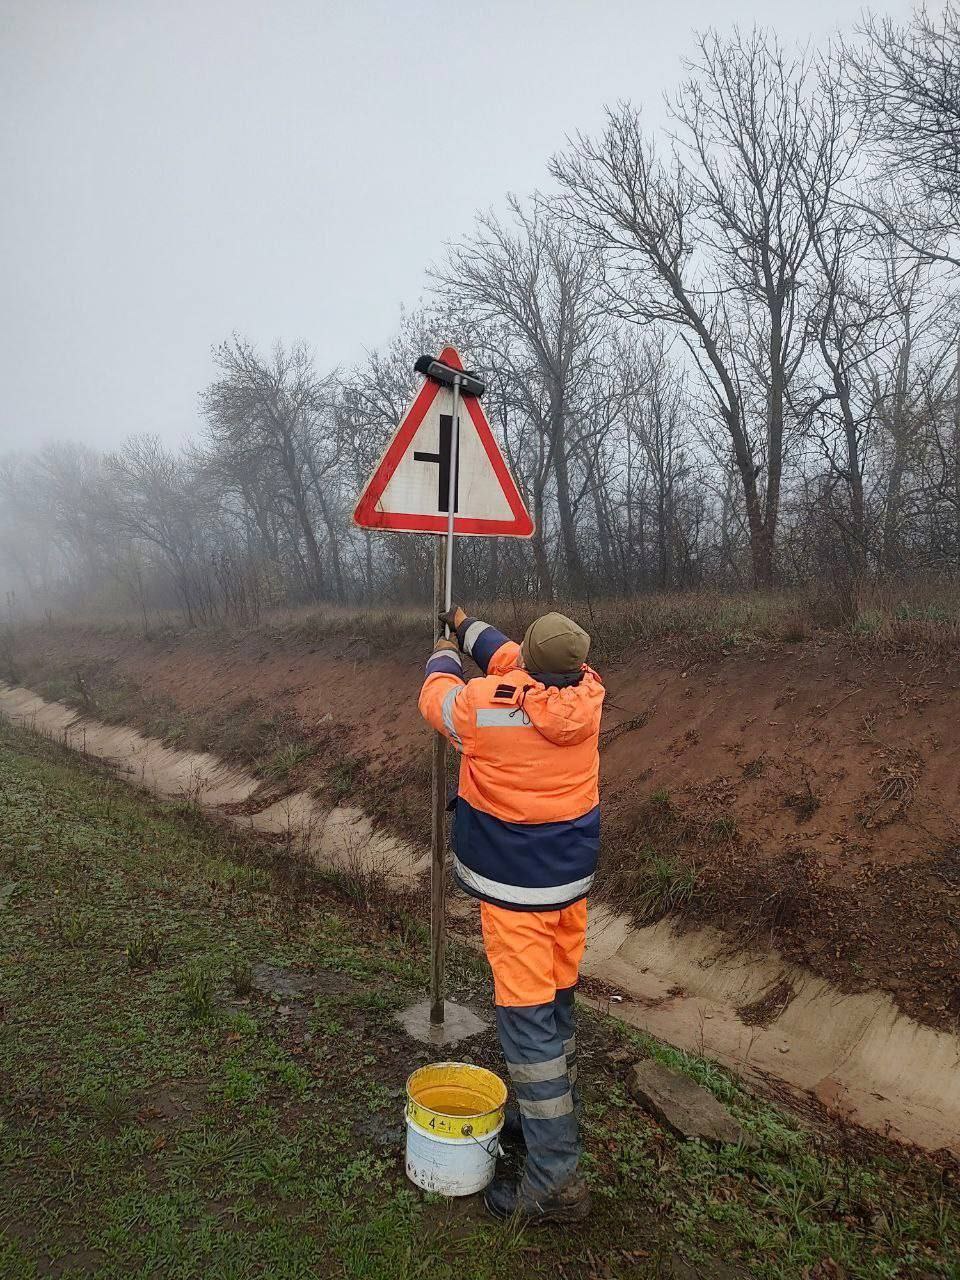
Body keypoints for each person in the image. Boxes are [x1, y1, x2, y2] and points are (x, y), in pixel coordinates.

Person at [418, 606, 604, 1224]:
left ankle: (557, 1178)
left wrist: (443, 654)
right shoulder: (587, 692)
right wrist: (466, 622)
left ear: (530, 660)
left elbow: (438, 699)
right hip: (567, 886)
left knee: (526, 1027)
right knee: (556, 1004)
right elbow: (509, 660)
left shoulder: (487, 709)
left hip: (516, 892)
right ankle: (544, 1111)